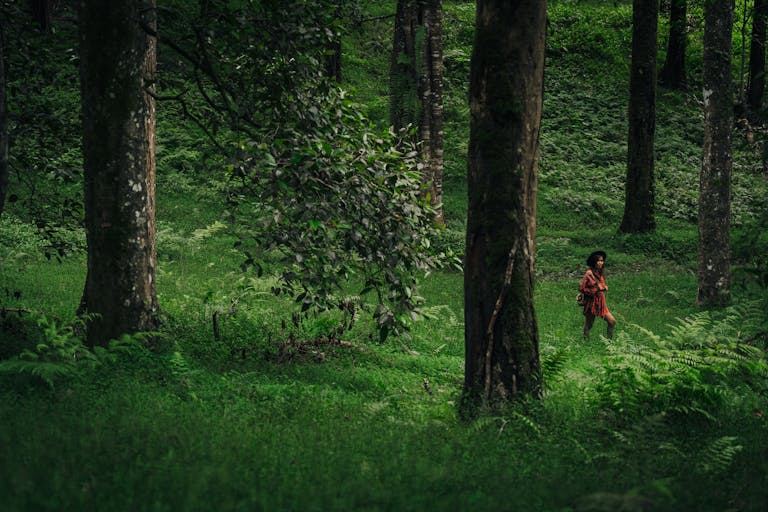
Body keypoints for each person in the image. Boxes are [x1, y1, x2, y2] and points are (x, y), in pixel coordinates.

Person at [580, 250, 616, 339]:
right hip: (591, 302)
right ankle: (585, 342)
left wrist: (603, 287)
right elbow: (582, 288)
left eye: (602, 261)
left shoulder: (600, 273)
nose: (601, 263)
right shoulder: (589, 274)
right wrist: (596, 290)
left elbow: (602, 285)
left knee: (612, 321)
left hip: (600, 302)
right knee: (589, 324)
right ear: (594, 262)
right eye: (599, 261)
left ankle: (610, 343)